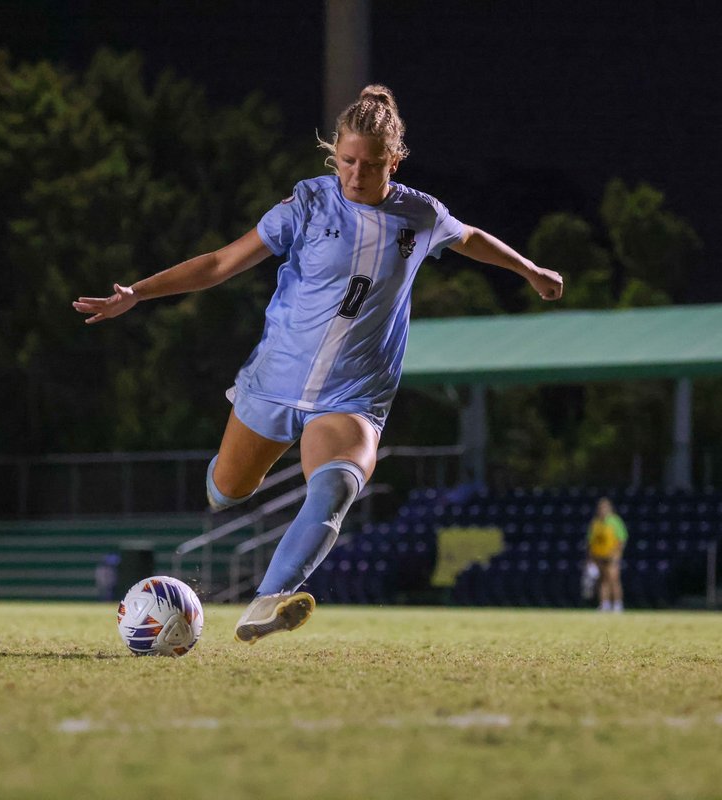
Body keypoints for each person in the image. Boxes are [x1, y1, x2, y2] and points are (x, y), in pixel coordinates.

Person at [73, 85, 563, 643]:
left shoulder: (419, 215)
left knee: (334, 489)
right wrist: (137, 293)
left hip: (353, 396)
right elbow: (219, 263)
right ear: (334, 153)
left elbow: (469, 236)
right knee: (228, 492)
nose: (356, 174)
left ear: (394, 161)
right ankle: (224, 479)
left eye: (372, 164)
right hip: (274, 381)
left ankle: (268, 600)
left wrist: (530, 270)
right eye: (347, 160)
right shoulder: (307, 203)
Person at [586, 497, 627, 612]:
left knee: (614, 579)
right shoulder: (595, 523)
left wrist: (616, 554)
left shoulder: (615, 521)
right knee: (602, 580)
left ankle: (618, 605)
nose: (602, 510)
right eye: (600, 508)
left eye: (605, 508)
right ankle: (604, 604)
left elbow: (621, 539)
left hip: (612, 555)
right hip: (599, 556)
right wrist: (590, 558)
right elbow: (590, 541)